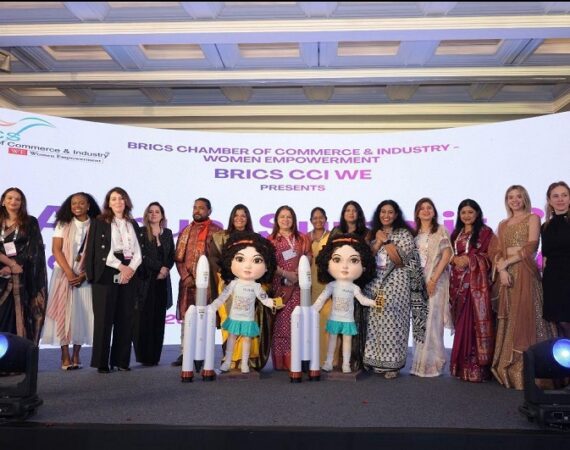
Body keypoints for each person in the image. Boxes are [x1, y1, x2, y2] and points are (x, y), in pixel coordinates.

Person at [491, 185, 556, 390]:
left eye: (518, 196)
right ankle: (510, 368)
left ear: (525, 198)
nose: (515, 200)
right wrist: (502, 270)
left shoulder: (533, 218)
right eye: (510, 197)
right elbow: (497, 251)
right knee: (512, 316)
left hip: (525, 272)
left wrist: (507, 263)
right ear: (507, 201)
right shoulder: (503, 224)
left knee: (528, 314)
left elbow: (531, 247)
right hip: (507, 276)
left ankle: (533, 371)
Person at [363, 200, 428, 378]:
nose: (386, 215)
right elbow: (368, 257)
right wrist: (377, 241)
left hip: (396, 283)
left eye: (390, 212)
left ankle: (393, 365)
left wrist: (386, 241)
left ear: (396, 215)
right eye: (383, 212)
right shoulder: (372, 233)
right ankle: (374, 361)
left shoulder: (404, 234)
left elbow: (400, 260)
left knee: (393, 321)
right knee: (374, 322)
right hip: (375, 282)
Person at [85, 187, 144, 373]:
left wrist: (130, 269)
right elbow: (98, 251)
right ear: (108, 203)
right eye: (113, 199)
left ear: (126, 201)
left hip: (129, 272)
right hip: (106, 272)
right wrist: (120, 267)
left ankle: (121, 361)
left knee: (125, 318)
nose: (118, 202)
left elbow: (138, 252)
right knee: (104, 319)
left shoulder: (132, 224)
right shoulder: (99, 222)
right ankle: (101, 362)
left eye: (121, 198)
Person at [42, 192, 101, 370]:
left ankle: (76, 354)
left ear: (88, 206)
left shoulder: (96, 225)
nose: (77, 206)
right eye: (74, 203)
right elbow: (56, 249)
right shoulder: (63, 223)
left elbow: (98, 253)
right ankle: (65, 355)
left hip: (85, 276)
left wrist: (84, 274)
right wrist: (69, 273)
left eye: (81, 203)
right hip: (63, 274)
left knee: (82, 314)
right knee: (63, 313)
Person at [209, 204, 270, 370]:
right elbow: (214, 261)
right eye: (236, 215)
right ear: (231, 217)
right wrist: (229, 274)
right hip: (228, 284)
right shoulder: (221, 237)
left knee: (247, 325)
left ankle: (244, 361)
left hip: (249, 287)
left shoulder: (255, 239)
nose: (239, 219)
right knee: (230, 324)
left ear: (248, 218)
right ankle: (229, 360)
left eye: (243, 215)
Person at [312, 234, 377, 373]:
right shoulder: (332, 285)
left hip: (348, 320)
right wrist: (314, 308)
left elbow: (362, 300)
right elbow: (322, 298)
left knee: (347, 342)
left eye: (354, 260)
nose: (345, 266)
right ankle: (328, 362)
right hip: (334, 319)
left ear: (364, 266)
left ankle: (346, 364)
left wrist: (373, 302)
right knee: (332, 341)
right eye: (337, 260)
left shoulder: (354, 287)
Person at [449, 199, 495, 383]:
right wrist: (454, 260)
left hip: (475, 285)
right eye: (463, 212)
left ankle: (476, 369)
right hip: (457, 284)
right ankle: (461, 367)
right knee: (461, 323)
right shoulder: (456, 233)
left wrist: (470, 260)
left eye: (470, 212)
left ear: (477, 214)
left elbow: (490, 257)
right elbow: (449, 254)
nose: (467, 216)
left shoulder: (485, 232)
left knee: (473, 323)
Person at [172, 197, 222, 366]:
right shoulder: (186, 231)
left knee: (207, 317)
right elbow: (178, 258)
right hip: (187, 283)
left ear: (209, 211)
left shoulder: (217, 231)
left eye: (201, 208)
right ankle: (184, 352)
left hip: (209, 285)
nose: (197, 210)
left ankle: (204, 351)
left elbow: (220, 259)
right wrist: (186, 277)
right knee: (188, 316)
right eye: (195, 207)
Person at [410, 198, 453, 377]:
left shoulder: (441, 230)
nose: (426, 211)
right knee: (419, 323)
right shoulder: (414, 234)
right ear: (417, 213)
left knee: (433, 322)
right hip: (417, 283)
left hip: (436, 281)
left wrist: (433, 280)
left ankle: (433, 365)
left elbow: (447, 255)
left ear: (434, 211)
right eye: (422, 208)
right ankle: (419, 365)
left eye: (429, 208)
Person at [0, 187, 47, 344]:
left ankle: (19, 356)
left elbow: (34, 250)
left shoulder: (30, 222)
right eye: (9, 198)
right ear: (3, 201)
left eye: (17, 199)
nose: (13, 201)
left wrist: (14, 266)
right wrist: (8, 265)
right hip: (1, 275)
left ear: (22, 203)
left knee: (21, 319)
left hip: (23, 277)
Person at [268, 205, 311, 371]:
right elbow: (269, 263)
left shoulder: (302, 238)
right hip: (280, 287)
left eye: (289, 217)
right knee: (281, 325)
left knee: (298, 322)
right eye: (282, 217)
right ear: (276, 220)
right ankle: (282, 362)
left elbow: (308, 255)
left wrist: (299, 272)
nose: (285, 220)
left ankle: (298, 359)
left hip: (299, 288)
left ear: (293, 220)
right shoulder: (271, 240)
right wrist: (286, 274)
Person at [133, 202, 175, 366]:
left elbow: (171, 255)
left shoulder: (168, 233)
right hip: (146, 280)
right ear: (147, 215)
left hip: (162, 282)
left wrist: (165, 270)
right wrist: (159, 268)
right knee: (144, 319)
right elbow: (141, 256)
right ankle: (143, 356)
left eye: (157, 212)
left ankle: (155, 356)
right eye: (151, 211)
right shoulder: (141, 232)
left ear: (162, 215)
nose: (154, 214)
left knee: (158, 319)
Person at [541, 181, 570, 338]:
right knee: (559, 322)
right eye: (556, 196)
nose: (560, 199)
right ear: (549, 200)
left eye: (564, 195)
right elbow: (545, 256)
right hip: (553, 279)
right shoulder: (545, 226)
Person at [308, 207, 334, 366]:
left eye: (321, 217)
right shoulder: (305, 237)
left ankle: (329, 359)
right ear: (311, 220)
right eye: (315, 218)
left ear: (325, 219)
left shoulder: (331, 237)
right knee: (313, 322)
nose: (318, 220)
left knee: (327, 322)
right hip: (309, 286)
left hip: (326, 284)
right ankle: (313, 358)